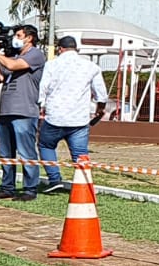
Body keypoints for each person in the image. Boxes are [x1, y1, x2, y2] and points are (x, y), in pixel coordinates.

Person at [0, 24, 55, 200]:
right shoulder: (11, 56)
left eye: (19, 35)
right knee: (5, 153)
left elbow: (13, 65)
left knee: (26, 152)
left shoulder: (35, 55)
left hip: (24, 111)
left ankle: (30, 189)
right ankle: (7, 186)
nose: (15, 38)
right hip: (6, 111)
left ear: (29, 37)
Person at [37, 35, 107, 171]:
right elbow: (101, 94)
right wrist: (100, 109)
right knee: (80, 153)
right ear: (77, 49)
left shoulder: (51, 65)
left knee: (46, 146)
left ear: (60, 49)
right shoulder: (91, 67)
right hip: (79, 119)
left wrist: (41, 106)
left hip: (54, 117)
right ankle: (83, 182)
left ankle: (54, 178)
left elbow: (43, 88)